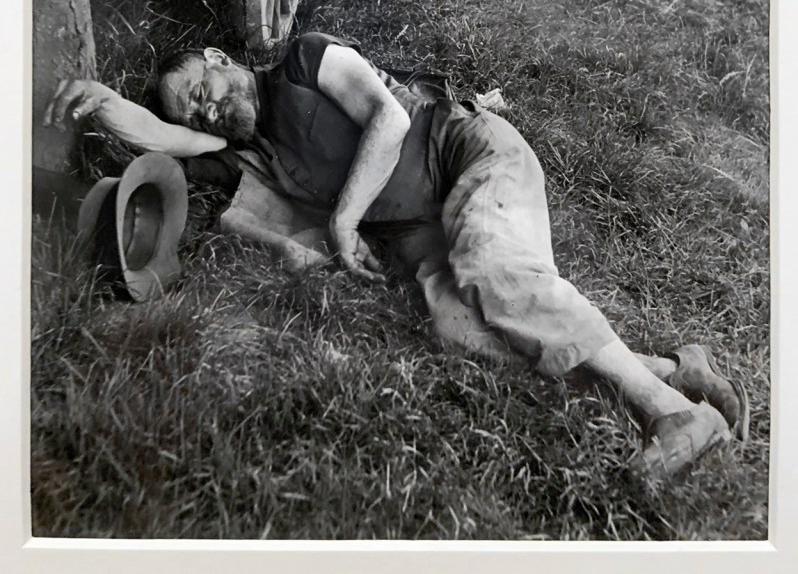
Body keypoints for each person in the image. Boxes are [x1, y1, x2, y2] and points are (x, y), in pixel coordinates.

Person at [44, 31, 748, 481]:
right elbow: (166, 140)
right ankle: (671, 368)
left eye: (204, 90)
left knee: (491, 269)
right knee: (458, 327)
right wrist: (106, 103)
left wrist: (346, 218)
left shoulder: (302, 58)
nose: (208, 110)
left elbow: (391, 117)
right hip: (430, 225)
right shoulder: (246, 154)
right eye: (193, 113)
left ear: (222, 60)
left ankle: (671, 410)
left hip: (473, 153)